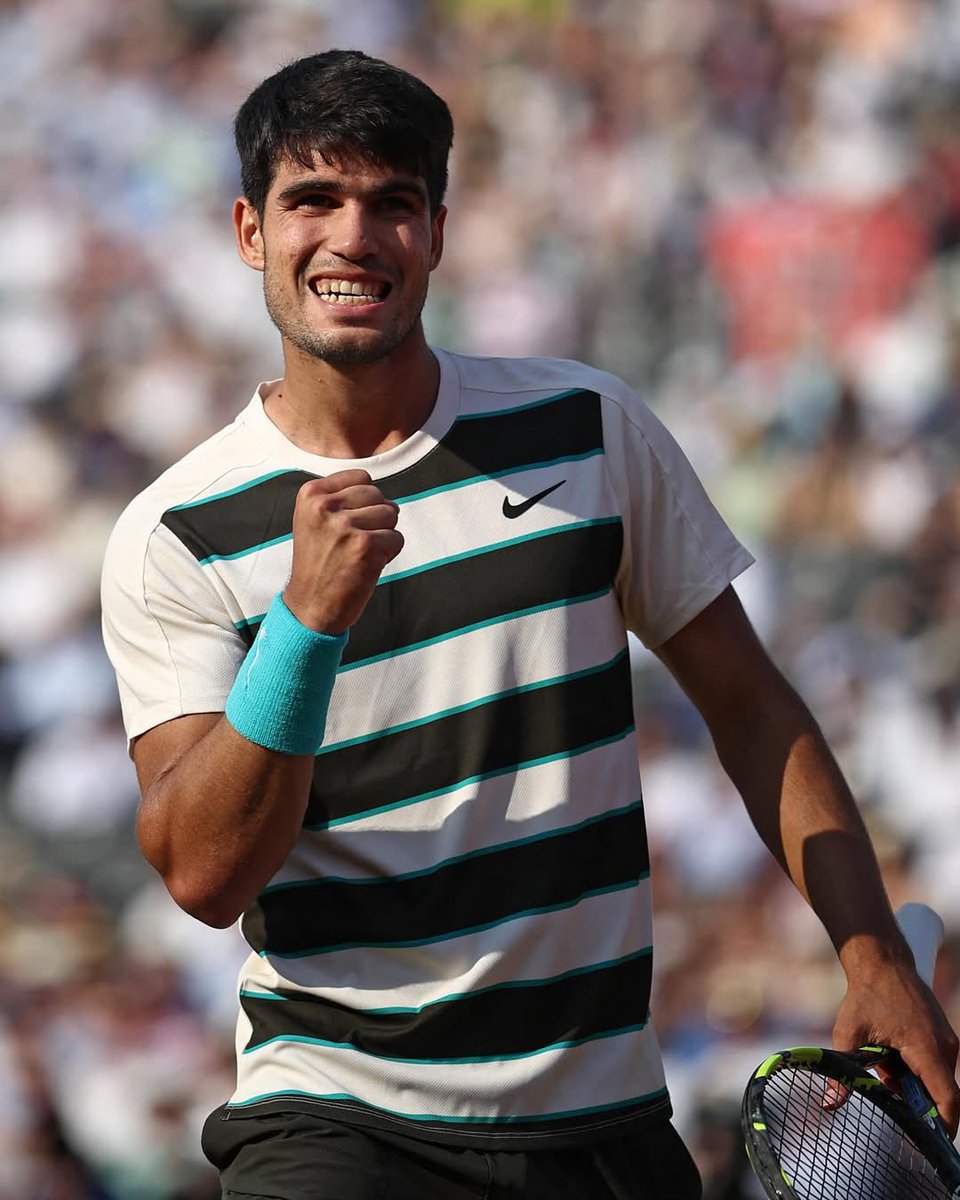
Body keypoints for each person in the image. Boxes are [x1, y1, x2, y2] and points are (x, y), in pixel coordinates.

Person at [100, 48, 960, 1200]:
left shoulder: (590, 427)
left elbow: (752, 706)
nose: (353, 238)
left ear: (438, 233)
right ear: (250, 231)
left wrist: (876, 952)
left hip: (601, 1120)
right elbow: (203, 873)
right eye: (314, 200)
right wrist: (305, 626)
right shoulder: (176, 532)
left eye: (391, 203)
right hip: (338, 1125)